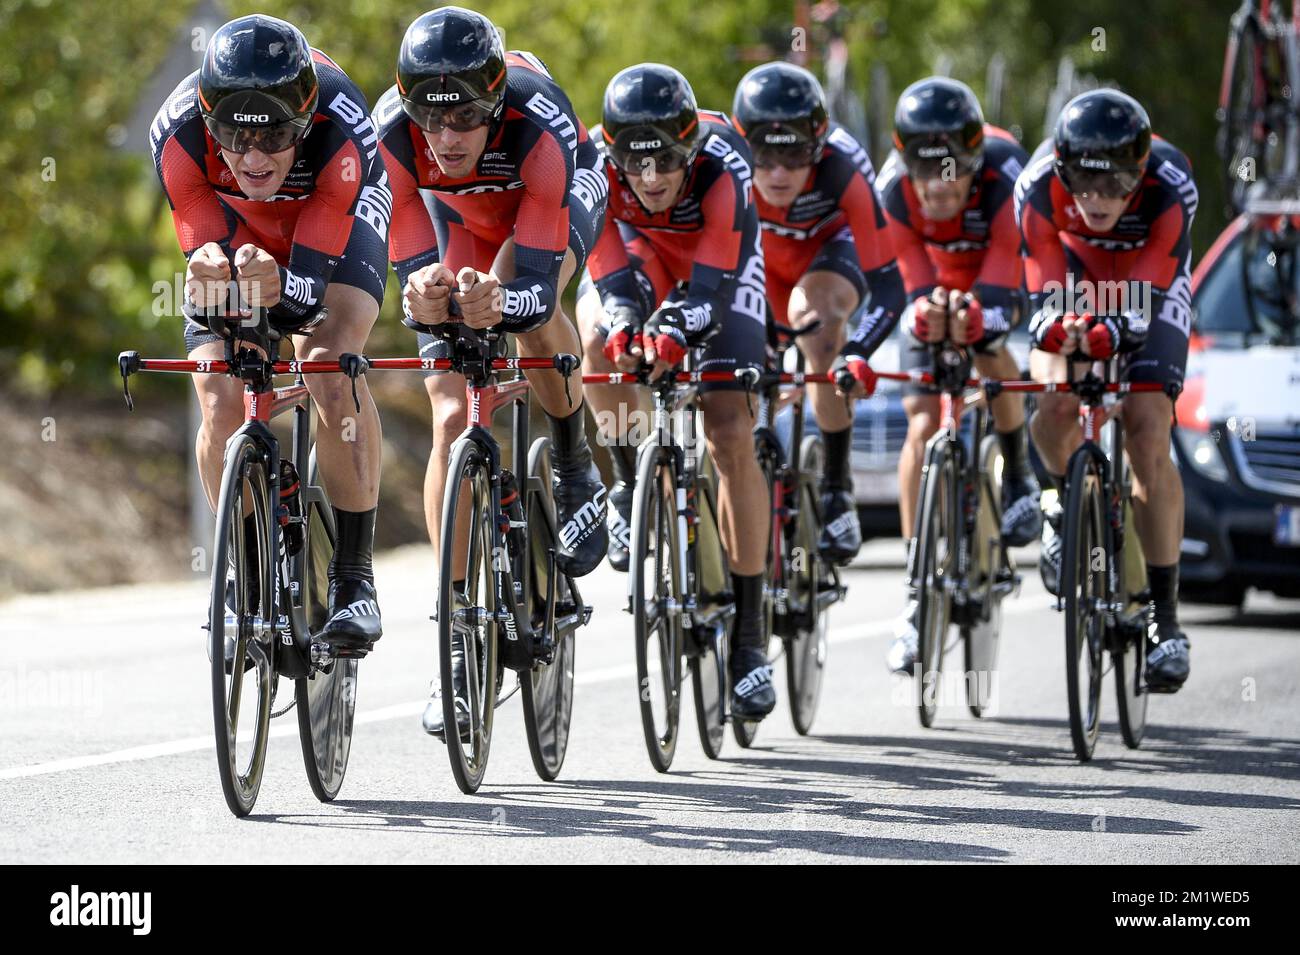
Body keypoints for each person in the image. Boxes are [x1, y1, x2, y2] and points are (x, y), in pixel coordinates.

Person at [373, 6, 609, 735]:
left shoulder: (539, 125)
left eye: (466, 120)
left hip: (550, 207)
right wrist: (427, 292)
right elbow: (415, 267)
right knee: (450, 407)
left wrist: (502, 298)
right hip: (457, 219)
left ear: (497, 101)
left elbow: (534, 287)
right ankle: (454, 639)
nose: (445, 139)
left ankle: (572, 460)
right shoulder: (391, 133)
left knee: (528, 313)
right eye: (431, 121)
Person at [151, 14, 390, 657]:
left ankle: (353, 578)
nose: (253, 157)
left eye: (275, 135)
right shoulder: (175, 133)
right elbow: (208, 253)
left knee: (328, 364)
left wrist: (282, 289)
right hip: (239, 228)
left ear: (305, 121)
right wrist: (215, 272)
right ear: (208, 121)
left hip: (330, 223)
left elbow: (305, 295)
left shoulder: (343, 127)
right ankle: (244, 570)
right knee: (218, 395)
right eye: (233, 137)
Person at [575, 63, 777, 719]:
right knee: (595, 339)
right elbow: (606, 268)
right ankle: (628, 481)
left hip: (719, 268)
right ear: (614, 154)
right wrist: (629, 321)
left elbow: (713, 293)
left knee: (727, 429)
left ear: (692, 148)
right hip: (642, 253)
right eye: (638, 163)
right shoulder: (595, 167)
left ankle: (749, 638)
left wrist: (677, 325)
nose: (653, 177)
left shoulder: (726, 166)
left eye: (667, 160)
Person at [1017, 88, 1195, 691]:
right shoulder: (1037, 184)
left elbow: (1149, 294)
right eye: (1083, 185)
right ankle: (1057, 504)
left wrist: (1116, 328)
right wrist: (1055, 325)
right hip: (1077, 274)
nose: (1095, 199)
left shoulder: (1173, 185)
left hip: (1152, 282)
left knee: (1147, 429)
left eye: (1115, 185)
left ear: (1140, 174)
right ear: (1063, 169)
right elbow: (1040, 288)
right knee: (1057, 396)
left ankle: (1165, 621)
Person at [869, 77, 1041, 674]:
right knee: (921, 422)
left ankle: (1018, 472)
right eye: (927, 174)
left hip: (994, 274)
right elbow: (908, 283)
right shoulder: (890, 189)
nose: (940, 188)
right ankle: (918, 586)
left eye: (953, 174)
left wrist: (977, 316)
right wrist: (925, 310)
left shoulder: (1008, 176)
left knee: (990, 347)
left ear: (974, 163)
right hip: (932, 277)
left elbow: (1008, 277)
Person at [730, 61, 904, 566]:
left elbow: (891, 284)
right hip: (761, 263)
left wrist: (856, 350)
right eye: (763, 155)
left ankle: (835, 486)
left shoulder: (844, 167)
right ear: (743, 145)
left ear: (820, 145)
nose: (779, 173)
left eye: (796, 155)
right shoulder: (722, 161)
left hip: (829, 256)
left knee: (818, 318)